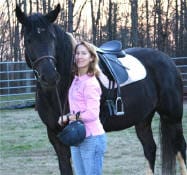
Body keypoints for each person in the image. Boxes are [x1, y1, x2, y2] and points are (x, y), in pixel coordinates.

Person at [58, 41, 107, 175]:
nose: (79, 56)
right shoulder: (76, 79)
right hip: (77, 136)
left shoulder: (91, 83)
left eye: (84, 53)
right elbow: (78, 108)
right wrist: (68, 116)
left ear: (91, 57)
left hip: (92, 138)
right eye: (77, 53)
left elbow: (92, 113)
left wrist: (69, 117)